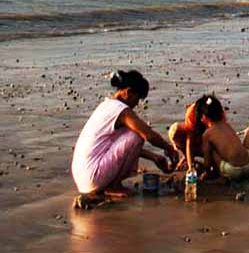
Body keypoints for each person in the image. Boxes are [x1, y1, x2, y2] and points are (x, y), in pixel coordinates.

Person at [71, 69, 178, 206]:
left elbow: (120, 148)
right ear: (127, 92)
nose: (137, 104)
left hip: (83, 177)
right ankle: (113, 186)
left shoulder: (107, 105)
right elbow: (147, 134)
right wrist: (169, 148)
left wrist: (154, 157)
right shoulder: (121, 110)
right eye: (137, 98)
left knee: (132, 135)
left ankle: (109, 184)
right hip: (93, 176)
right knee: (136, 134)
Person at [192, 94, 249, 181]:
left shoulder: (207, 134)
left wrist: (207, 173)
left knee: (211, 149)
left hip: (233, 171)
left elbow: (207, 163)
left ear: (203, 117)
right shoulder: (227, 125)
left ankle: (218, 175)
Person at [168, 98, 206, 171]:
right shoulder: (192, 112)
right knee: (174, 130)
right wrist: (190, 167)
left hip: (206, 142)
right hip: (197, 139)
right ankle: (187, 158)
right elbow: (189, 141)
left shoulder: (216, 115)